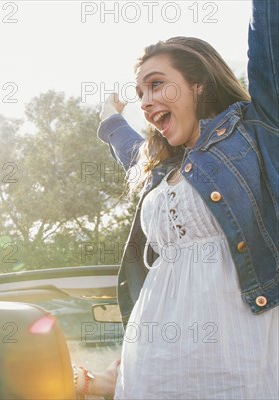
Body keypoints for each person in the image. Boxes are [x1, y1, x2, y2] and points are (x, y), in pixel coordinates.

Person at [96, 0, 278, 398]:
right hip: (155, 362)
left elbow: (268, 44)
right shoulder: (159, 169)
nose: (144, 101)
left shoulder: (254, 132)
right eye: (140, 92)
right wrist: (108, 116)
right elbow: (126, 145)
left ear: (198, 84)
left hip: (239, 354)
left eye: (157, 84)